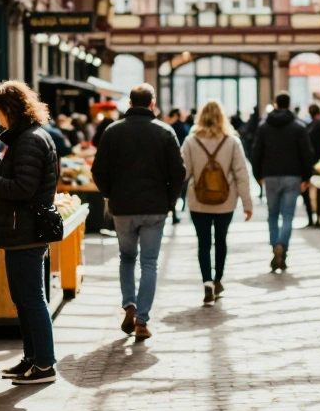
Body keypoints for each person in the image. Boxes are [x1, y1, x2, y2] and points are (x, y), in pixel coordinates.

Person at [0, 81, 60, 385]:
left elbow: (24, 188)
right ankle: (32, 359)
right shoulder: (30, 138)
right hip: (23, 228)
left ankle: (45, 365)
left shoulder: (29, 141)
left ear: (11, 110)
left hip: (25, 230)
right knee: (23, 299)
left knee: (31, 298)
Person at [96, 83, 185, 340]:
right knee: (149, 263)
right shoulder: (165, 132)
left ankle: (130, 304)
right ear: (152, 103)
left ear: (130, 104)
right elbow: (178, 173)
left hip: (123, 208)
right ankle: (142, 320)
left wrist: (111, 194)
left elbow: (99, 171)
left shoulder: (112, 132)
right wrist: (169, 202)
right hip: (155, 208)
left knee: (126, 258)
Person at [181, 100, 253, 306]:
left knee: (203, 243)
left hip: (198, 200)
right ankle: (218, 280)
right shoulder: (231, 141)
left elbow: (183, 172)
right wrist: (247, 203)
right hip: (225, 201)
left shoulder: (191, 141)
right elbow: (241, 174)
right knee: (221, 240)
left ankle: (206, 283)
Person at [251, 93, 314, 272]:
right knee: (287, 216)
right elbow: (307, 153)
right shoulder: (298, 127)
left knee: (272, 215)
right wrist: (306, 177)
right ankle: (282, 246)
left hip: (270, 176)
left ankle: (275, 247)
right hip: (292, 177)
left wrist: (258, 175)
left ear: (275, 104)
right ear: (289, 104)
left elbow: (256, 152)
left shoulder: (263, 127)